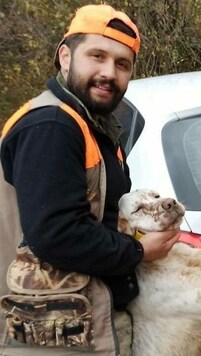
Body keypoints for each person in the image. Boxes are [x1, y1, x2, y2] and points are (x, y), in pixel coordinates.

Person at [0, 4, 180, 355]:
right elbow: (57, 233)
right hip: (52, 338)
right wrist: (139, 251)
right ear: (65, 57)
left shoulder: (94, 126)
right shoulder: (51, 125)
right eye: (97, 56)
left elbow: (102, 218)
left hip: (88, 324)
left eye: (122, 64)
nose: (108, 73)